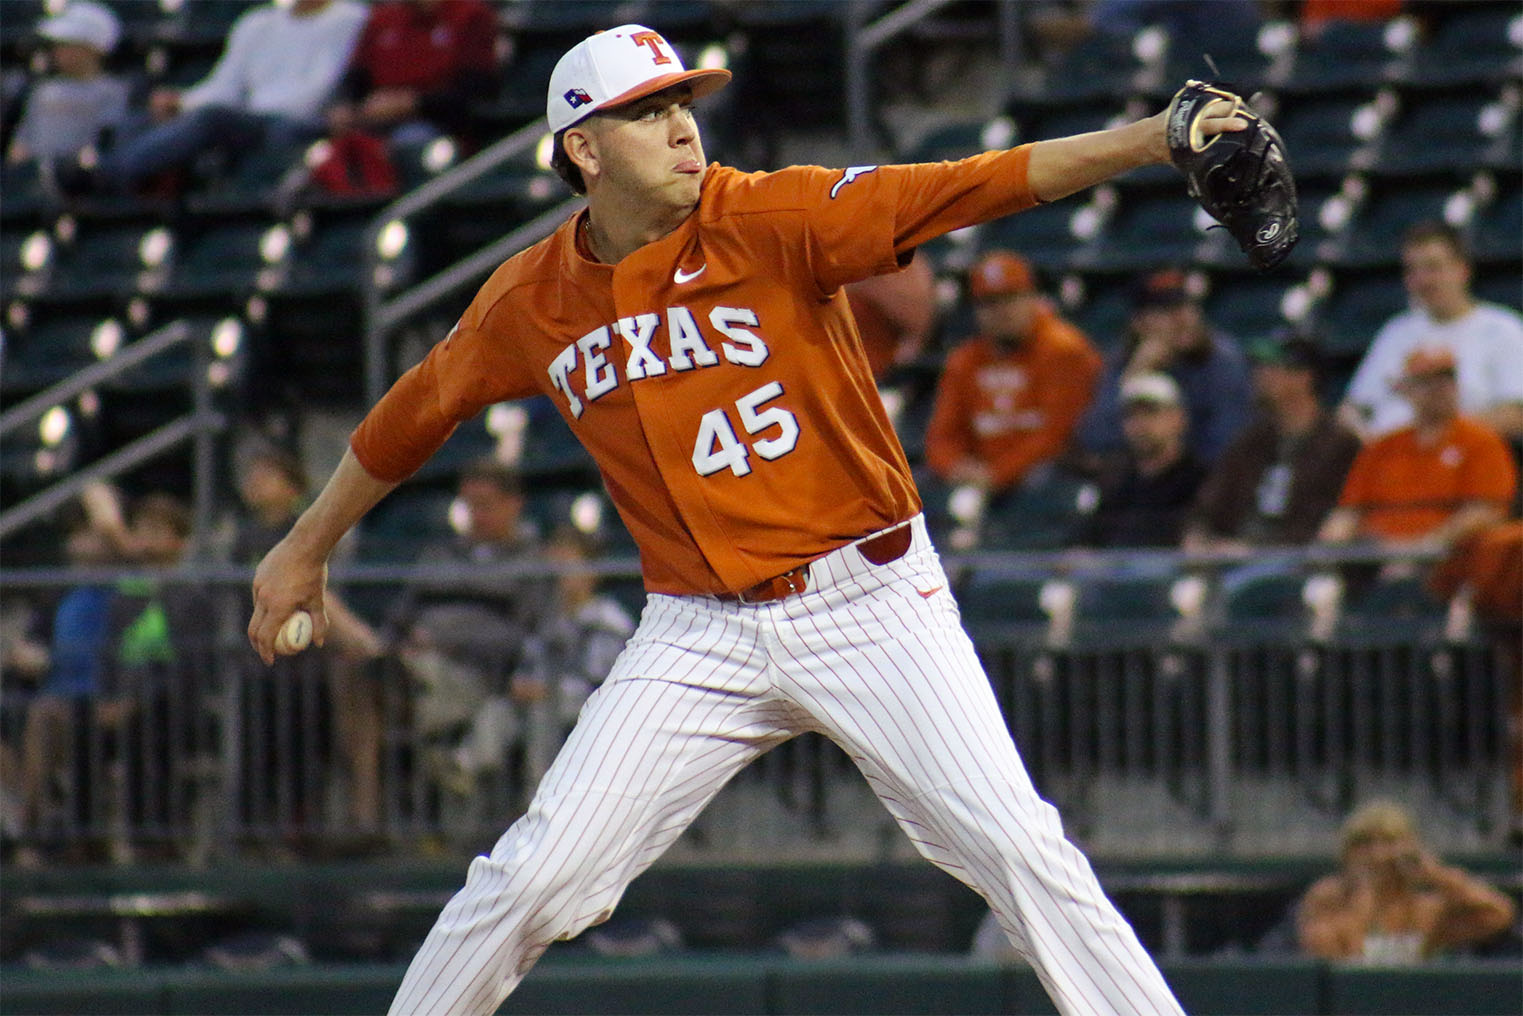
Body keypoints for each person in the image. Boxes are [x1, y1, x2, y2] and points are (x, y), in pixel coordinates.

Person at [249, 23, 1253, 1014]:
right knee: (526, 880)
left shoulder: (774, 215)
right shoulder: (531, 298)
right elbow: (407, 418)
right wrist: (303, 547)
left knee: (1015, 846)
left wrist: (1153, 135)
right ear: (582, 150)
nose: (683, 127)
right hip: (694, 631)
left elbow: (974, 181)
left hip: (868, 600)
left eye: (683, 103)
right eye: (648, 113)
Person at [228, 444, 385, 834]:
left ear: (292, 486)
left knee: (306, 740)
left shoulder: (305, 534)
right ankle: (254, 828)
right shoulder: (243, 539)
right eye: (252, 475)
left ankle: (302, 825)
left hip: (306, 661)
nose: (256, 483)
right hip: (258, 658)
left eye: (268, 474)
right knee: (257, 740)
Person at [388, 459, 550, 803]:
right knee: (361, 674)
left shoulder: (533, 562)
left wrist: (445, 642)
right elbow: (399, 617)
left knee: (379, 685)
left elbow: (526, 636)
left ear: (513, 504)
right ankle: (367, 820)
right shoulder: (438, 554)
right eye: (469, 506)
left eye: (485, 506)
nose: (475, 515)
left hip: (479, 676)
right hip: (415, 665)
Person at [90, 0, 366, 195]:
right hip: (247, 118)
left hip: (298, 121)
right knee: (143, 119)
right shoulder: (256, 23)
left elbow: (321, 87)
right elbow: (225, 86)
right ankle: (104, 175)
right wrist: (183, 101)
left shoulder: (350, 19)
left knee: (211, 120)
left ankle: (105, 176)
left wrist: (249, 110)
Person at [924, 250, 1101, 497]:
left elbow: (1057, 435)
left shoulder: (1063, 349)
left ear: (1032, 298)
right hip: (981, 476)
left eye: (1011, 298)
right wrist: (955, 468)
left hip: (1041, 476)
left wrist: (996, 475)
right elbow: (942, 437)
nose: (1002, 312)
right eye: (989, 303)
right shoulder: (964, 360)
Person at [1338, 221, 1523, 442]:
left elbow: (1515, 414)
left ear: (1462, 269)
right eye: (1412, 270)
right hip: (1390, 462)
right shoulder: (1396, 331)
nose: (1422, 281)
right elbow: (1351, 410)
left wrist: (1436, 437)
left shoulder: (1502, 330)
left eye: (1432, 267)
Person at [1320, 347, 1518, 553]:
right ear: (1406, 390)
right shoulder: (1383, 446)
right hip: (1375, 558)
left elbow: (1485, 511)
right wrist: (1332, 545)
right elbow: (1349, 511)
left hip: (1448, 558)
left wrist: (1425, 545)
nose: (1439, 389)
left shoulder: (1481, 441)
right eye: (1427, 382)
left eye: (1446, 380)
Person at [1183, 331, 1362, 553]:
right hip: (1228, 562)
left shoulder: (1341, 445)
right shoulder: (1250, 442)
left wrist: (1252, 549)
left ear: (1304, 376)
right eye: (1259, 367)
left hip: (1295, 568)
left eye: (1272, 367)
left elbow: (1324, 525)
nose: (1260, 375)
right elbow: (1208, 507)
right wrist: (1198, 537)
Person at [1296, 799, 1516, 963]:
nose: (1377, 854)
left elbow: (1498, 914)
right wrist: (1365, 896)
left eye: (1389, 842)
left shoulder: (1424, 908)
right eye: (1365, 844)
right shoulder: (1327, 898)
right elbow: (1336, 961)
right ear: (1347, 853)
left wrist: (1437, 875)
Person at [1079, 268, 1253, 468]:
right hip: (1140, 480)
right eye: (1166, 311)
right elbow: (1096, 440)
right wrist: (1135, 375)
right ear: (1140, 324)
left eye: (1188, 306)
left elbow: (1227, 444)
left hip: (1201, 480)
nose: (1183, 319)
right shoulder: (1126, 361)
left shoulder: (1221, 361)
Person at [326, 0, 500, 149]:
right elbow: (356, 78)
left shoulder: (470, 15)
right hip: (373, 119)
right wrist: (346, 107)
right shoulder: (382, 18)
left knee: (410, 139)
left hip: (436, 124)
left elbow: (476, 91)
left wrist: (415, 103)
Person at [1082, 372, 1207, 548]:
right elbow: (1085, 542)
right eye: (1131, 416)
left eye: (1151, 413)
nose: (1140, 425)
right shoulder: (1115, 482)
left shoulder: (1201, 481)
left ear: (1179, 419)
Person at [5, 1, 128, 168]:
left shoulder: (114, 92)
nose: (57, 51)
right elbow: (21, 144)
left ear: (91, 48)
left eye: (66, 44)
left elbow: (106, 143)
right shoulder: (42, 90)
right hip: (32, 183)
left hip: (80, 184)